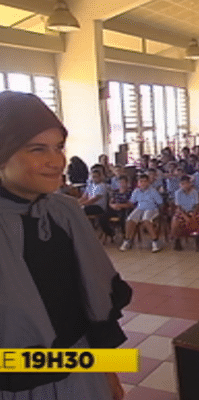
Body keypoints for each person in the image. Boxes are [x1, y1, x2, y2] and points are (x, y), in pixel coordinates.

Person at [0, 91, 131, 399]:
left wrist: (107, 369)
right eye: (37, 149)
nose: (56, 161)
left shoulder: (66, 212)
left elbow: (92, 300)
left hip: (81, 369)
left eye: (58, 147)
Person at [119, 173, 163, 253]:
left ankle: (155, 241)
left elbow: (160, 203)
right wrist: (120, 205)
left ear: (148, 182)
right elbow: (131, 202)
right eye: (140, 181)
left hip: (151, 208)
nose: (142, 183)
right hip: (140, 208)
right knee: (129, 219)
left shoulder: (153, 191)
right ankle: (127, 240)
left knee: (146, 220)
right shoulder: (136, 191)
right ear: (138, 183)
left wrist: (161, 214)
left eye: (144, 181)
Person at [171, 175, 199, 251]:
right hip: (182, 212)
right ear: (180, 185)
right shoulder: (177, 193)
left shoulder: (194, 192)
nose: (185, 185)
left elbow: (197, 205)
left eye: (187, 183)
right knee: (175, 221)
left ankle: (197, 239)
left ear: (190, 183)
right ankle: (177, 240)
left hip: (193, 211)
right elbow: (178, 207)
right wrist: (185, 216)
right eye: (183, 184)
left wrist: (193, 214)